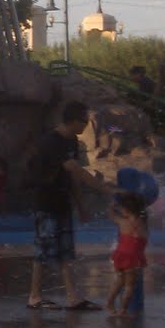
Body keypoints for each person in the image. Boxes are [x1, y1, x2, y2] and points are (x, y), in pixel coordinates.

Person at [26, 100, 118, 311]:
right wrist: (106, 190)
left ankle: (72, 296)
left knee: (66, 251)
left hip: (62, 200)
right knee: (44, 249)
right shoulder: (51, 142)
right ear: (74, 121)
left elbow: (72, 177)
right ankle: (34, 296)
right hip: (45, 201)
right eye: (84, 121)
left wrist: (80, 205)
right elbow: (76, 170)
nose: (86, 125)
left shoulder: (71, 142)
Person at [105, 190, 150, 317]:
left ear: (125, 209)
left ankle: (109, 302)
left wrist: (112, 205)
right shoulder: (142, 221)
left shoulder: (121, 221)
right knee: (130, 285)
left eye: (122, 208)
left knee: (119, 281)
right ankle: (123, 310)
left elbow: (111, 215)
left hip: (119, 254)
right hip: (133, 256)